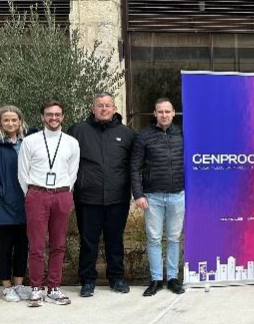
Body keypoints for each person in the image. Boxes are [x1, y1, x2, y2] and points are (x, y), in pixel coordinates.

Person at [69, 93, 135, 297]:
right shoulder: (78, 131)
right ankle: (87, 281)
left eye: (108, 105)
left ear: (114, 109)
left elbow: (134, 166)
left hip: (118, 198)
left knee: (115, 240)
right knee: (88, 242)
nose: (104, 109)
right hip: (87, 197)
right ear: (93, 108)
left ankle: (116, 278)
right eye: (100, 105)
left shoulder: (127, 134)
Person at [18, 102, 80, 307]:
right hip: (37, 194)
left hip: (61, 194)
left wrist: (65, 191)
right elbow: (23, 172)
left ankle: (54, 287)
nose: (54, 118)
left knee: (58, 244)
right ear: (42, 117)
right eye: (49, 114)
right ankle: (36, 288)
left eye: (57, 114)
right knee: (36, 245)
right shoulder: (30, 141)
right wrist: (32, 194)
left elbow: (73, 172)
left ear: (63, 117)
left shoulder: (71, 143)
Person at [131, 97, 185, 297]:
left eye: (167, 111)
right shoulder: (143, 136)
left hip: (177, 194)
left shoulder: (182, 134)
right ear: (154, 113)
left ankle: (172, 278)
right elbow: (134, 167)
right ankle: (155, 279)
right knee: (153, 238)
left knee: (174, 238)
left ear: (173, 113)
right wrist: (138, 194)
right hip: (152, 196)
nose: (164, 115)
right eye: (160, 111)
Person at [0, 106, 32, 303]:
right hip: (4, 203)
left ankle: (18, 284)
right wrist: (1, 191)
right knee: (5, 246)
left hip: (27, 201)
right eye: (6, 120)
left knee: (23, 245)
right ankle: (7, 287)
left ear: (20, 121)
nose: (10, 123)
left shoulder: (28, 142)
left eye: (14, 120)